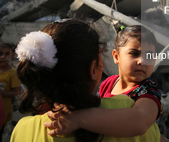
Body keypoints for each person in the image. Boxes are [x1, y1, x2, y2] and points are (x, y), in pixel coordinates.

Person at [10, 19, 161, 142]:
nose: (143, 61)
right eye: (134, 53)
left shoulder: (148, 90)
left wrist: (79, 118)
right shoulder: (109, 83)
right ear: (115, 57)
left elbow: (140, 121)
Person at [0, 42, 21, 141]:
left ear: (11, 56)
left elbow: (16, 92)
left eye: (7, 54)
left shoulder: (12, 73)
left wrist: (1, 93)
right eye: (0, 53)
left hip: (3, 111)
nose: (3, 57)